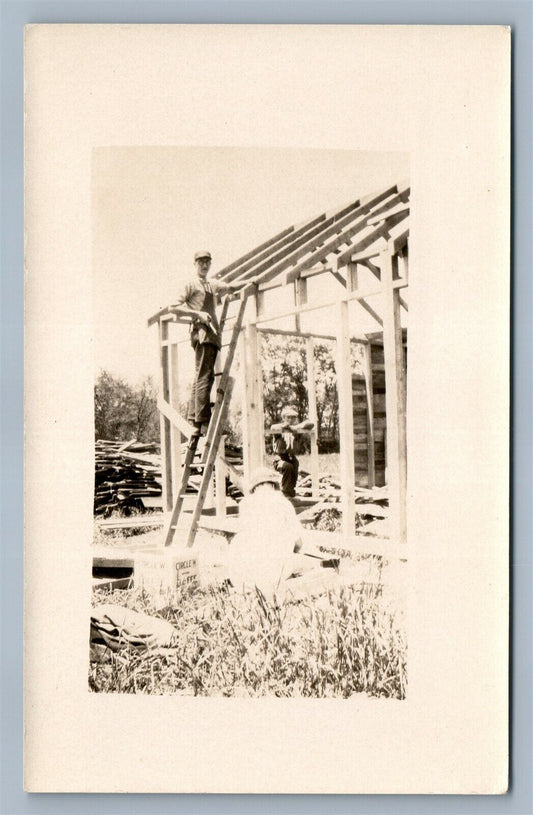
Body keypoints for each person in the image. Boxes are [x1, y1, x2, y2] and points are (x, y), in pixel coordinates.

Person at [172, 250, 236, 435]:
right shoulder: (191, 284)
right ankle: (202, 421)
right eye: (201, 262)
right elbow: (173, 307)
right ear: (195, 264)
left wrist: (247, 283)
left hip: (212, 332)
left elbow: (229, 287)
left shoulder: (211, 284)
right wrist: (197, 314)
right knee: (204, 376)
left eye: (208, 262)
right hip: (202, 331)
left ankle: (194, 417)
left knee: (203, 375)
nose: (205, 265)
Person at [226, 467, 305, 596]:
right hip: (273, 574)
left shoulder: (245, 504)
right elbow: (299, 543)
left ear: (254, 488)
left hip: (243, 577)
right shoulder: (283, 503)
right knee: (303, 562)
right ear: (273, 486)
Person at [271, 406, 312, 498]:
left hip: (291, 457)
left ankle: (291, 492)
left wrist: (294, 427)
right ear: (283, 418)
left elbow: (310, 424)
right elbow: (273, 427)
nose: (290, 419)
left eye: (293, 418)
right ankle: (285, 492)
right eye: (288, 417)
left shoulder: (296, 429)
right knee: (287, 466)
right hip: (279, 458)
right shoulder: (279, 428)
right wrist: (284, 426)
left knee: (295, 464)